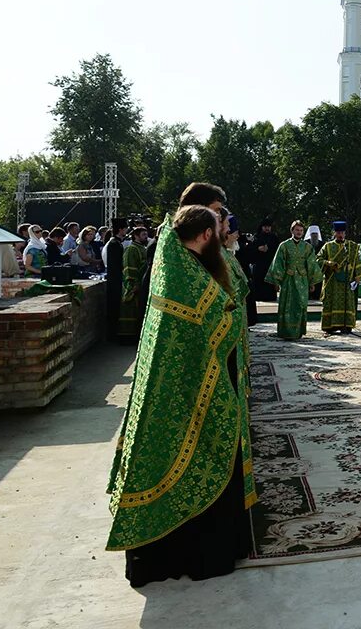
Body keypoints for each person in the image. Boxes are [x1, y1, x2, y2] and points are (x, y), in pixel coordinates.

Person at [106, 205, 254, 587]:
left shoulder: (179, 265)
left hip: (189, 380)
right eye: (219, 227)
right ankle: (196, 554)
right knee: (201, 453)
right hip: (190, 383)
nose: (223, 234)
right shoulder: (185, 275)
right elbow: (219, 316)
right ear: (205, 234)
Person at [265, 220, 322, 340]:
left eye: (301, 230)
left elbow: (311, 265)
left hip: (302, 280)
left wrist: (312, 282)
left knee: (301, 304)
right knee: (287, 304)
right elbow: (278, 263)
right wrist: (276, 281)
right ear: (292, 231)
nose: (299, 232)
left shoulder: (307, 247)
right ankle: (286, 331)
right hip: (288, 279)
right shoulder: (284, 245)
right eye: (297, 230)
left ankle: (298, 331)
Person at [316, 221, 361, 333]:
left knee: (347, 302)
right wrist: (329, 263)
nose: (340, 234)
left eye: (342, 232)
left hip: (347, 280)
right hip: (332, 281)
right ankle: (330, 326)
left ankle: (346, 326)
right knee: (331, 302)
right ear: (334, 233)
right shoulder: (328, 246)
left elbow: (358, 262)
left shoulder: (352, 246)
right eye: (338, 232)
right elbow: (318, 260)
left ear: (345, 233)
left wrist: (358, 276)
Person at [118, 226, 150, 342]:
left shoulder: (143, 248)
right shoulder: (131, 249)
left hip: (142, 285)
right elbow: (129, 268)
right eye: (143, 234)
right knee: (130, 311)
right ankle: (128, 338)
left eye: (146, 234)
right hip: (133, 286)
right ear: (136, 236)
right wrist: (133, 284)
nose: (146, 236)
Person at [104, 218, 127, 335]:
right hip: (115, 280)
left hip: (115, 278)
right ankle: (112, 333)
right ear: (120, 229)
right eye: (125, 228)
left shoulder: (116, 243)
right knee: (113, 307)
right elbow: (117, 264)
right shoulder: (114, 244)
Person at [248, 218, 281, 301]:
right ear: (262, 227)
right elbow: (250, 250)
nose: (267, 228)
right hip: (259, 265)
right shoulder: (256, 237)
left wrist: (268, 249)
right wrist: (258, 249)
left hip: (270, 265)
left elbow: (277, 250)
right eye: (265, 227)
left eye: (269, 227)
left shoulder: (274, 237)